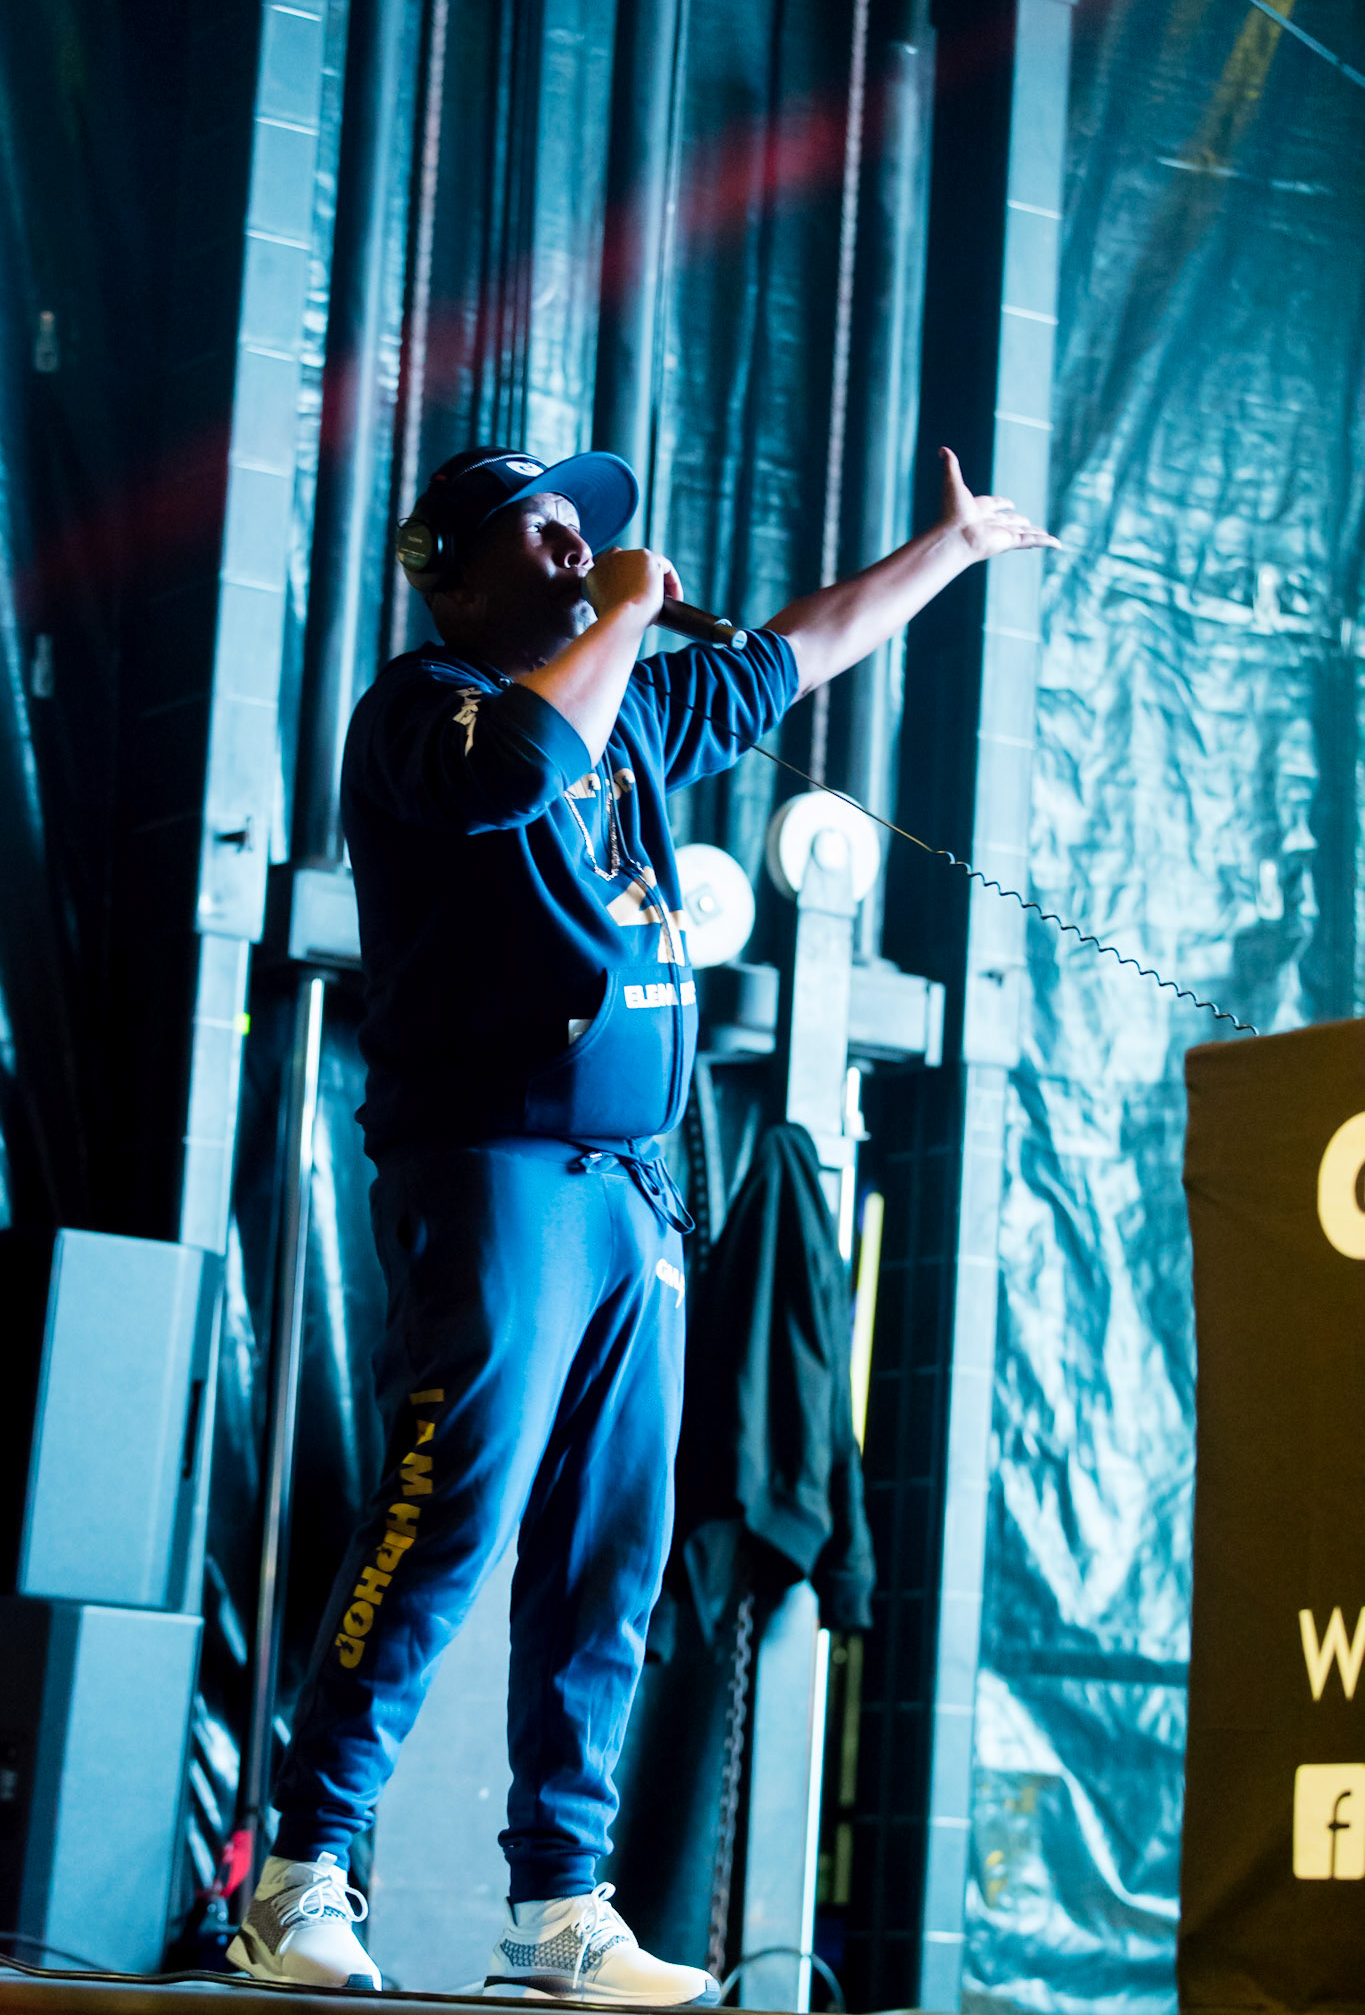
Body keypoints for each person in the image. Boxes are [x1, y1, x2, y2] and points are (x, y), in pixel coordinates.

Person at [226, 442, 1054, 2000]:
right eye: (536, 537)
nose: (570, 555)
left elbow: (794, 650)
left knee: (617, 1547)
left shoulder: (639, 712)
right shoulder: (425, 713)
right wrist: (612, 613)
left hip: (633, 1188)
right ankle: (299, 1872)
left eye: (582, 538)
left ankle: (558, 1907)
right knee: (449, 1512)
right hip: (495, 1172)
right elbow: (524, 770)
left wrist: (941, 555)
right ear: (449, 575)